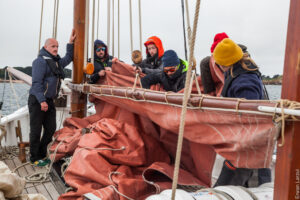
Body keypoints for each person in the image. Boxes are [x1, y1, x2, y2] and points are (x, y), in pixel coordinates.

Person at [212, 38, 271, 187]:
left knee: (254, 183)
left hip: (250, 141)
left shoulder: (245, 81)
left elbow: (249, 117)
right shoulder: (235, 70)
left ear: (226, 63)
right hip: (239, 137)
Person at [28, 30, 76, 166]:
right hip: (37, 100)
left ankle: (42, 154)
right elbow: (36, 83)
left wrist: (70, 43)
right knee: (36, 130)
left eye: (57, 47)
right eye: (53, 46)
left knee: (50, 129)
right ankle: (34, 158)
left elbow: (68, 57)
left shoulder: (55, 62)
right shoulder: (40, 62)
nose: (55, 49)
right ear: (45, 47)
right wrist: (41, 100)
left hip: (49, 101)